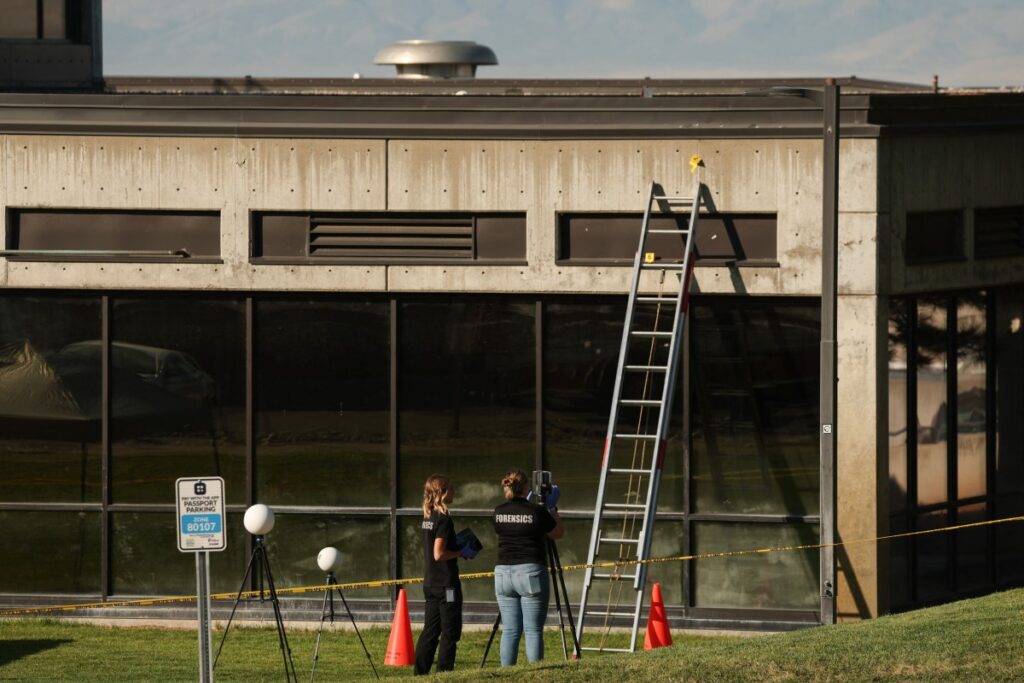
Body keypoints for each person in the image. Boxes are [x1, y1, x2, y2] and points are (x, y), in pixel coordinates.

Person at [492, 469, 564, 666]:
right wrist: (552, 509)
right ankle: (535, 674)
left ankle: (506, 674)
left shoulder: (498, 511)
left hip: (503, 574)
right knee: (532, 630)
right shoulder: (536, 511)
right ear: (526, 487)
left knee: (510, 630)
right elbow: (557, 533)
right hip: (530, 572)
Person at [414, 474, 470, 675]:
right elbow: (439, 553)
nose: (454, 491)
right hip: (447, 585)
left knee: (430, 630)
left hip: (430, 583)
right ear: (442, 493)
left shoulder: (427, 517)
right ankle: (444, 672)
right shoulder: (444, 519)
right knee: (450, 631)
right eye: (451, 488)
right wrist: (460, 552)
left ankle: (420, 673)